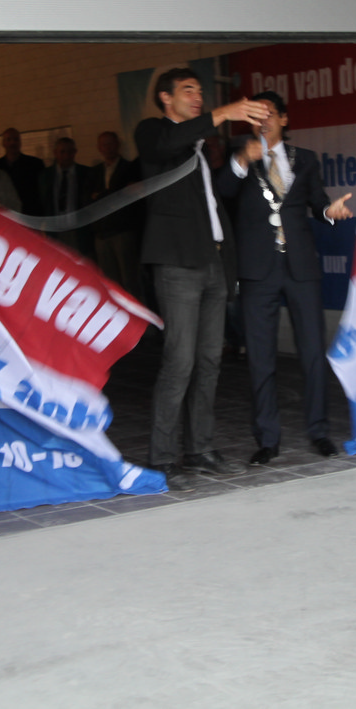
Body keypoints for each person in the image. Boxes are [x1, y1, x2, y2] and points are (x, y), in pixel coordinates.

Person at [136, 68, 273, 490]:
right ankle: (162, 458)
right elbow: (168, 142)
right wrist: (224, 112)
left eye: (200, 90)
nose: (197, 96)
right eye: (188, 90)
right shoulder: (153, 133)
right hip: (178, 264)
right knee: (179, 361)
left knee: (210, 360)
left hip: (212, 261)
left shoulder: (198, 149)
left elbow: (211, 203)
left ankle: (200, 449)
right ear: (165, 98)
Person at [217, 90, 353, 464]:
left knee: (312, 353)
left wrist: (330, 213)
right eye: (256, 116)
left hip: (300, 268)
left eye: (269, 114)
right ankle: (267, 438)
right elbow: (222, 191)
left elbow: (318, 203)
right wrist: (242, 159)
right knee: (261, 357)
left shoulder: (304, 159)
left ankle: (319, 431)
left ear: (284, 119)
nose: (263, 121)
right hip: (258, 269)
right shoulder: (240, 158)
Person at [91, 131, 144, 303]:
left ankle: (138, 314)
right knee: (110, 282)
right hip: (102, 232)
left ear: (118, 145)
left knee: (130, 279)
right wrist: (113, 194)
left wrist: (101, 196)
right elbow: (88, 199)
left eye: (110, 144)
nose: (108, 148)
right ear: (99, 148)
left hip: (123, 231)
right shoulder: (95, 172)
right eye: (104, 145)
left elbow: (128, 196)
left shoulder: (129, 168)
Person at [37, 136, 96, 256]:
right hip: (55, 229)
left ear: (75, 153)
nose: (66, 156)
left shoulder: (86, 173)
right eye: (62, 152)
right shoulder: (45, 176)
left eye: (70, 152)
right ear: (55, 153)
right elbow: (43, 202)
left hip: (78, 229)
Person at [0, 127, 45, 215]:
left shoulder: (35, 164)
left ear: (20, 142)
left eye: (16, 139)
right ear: (3, 143)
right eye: (9, 139)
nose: (13, 143)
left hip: (29, 215)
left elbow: (42, 194)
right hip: (4, 215)